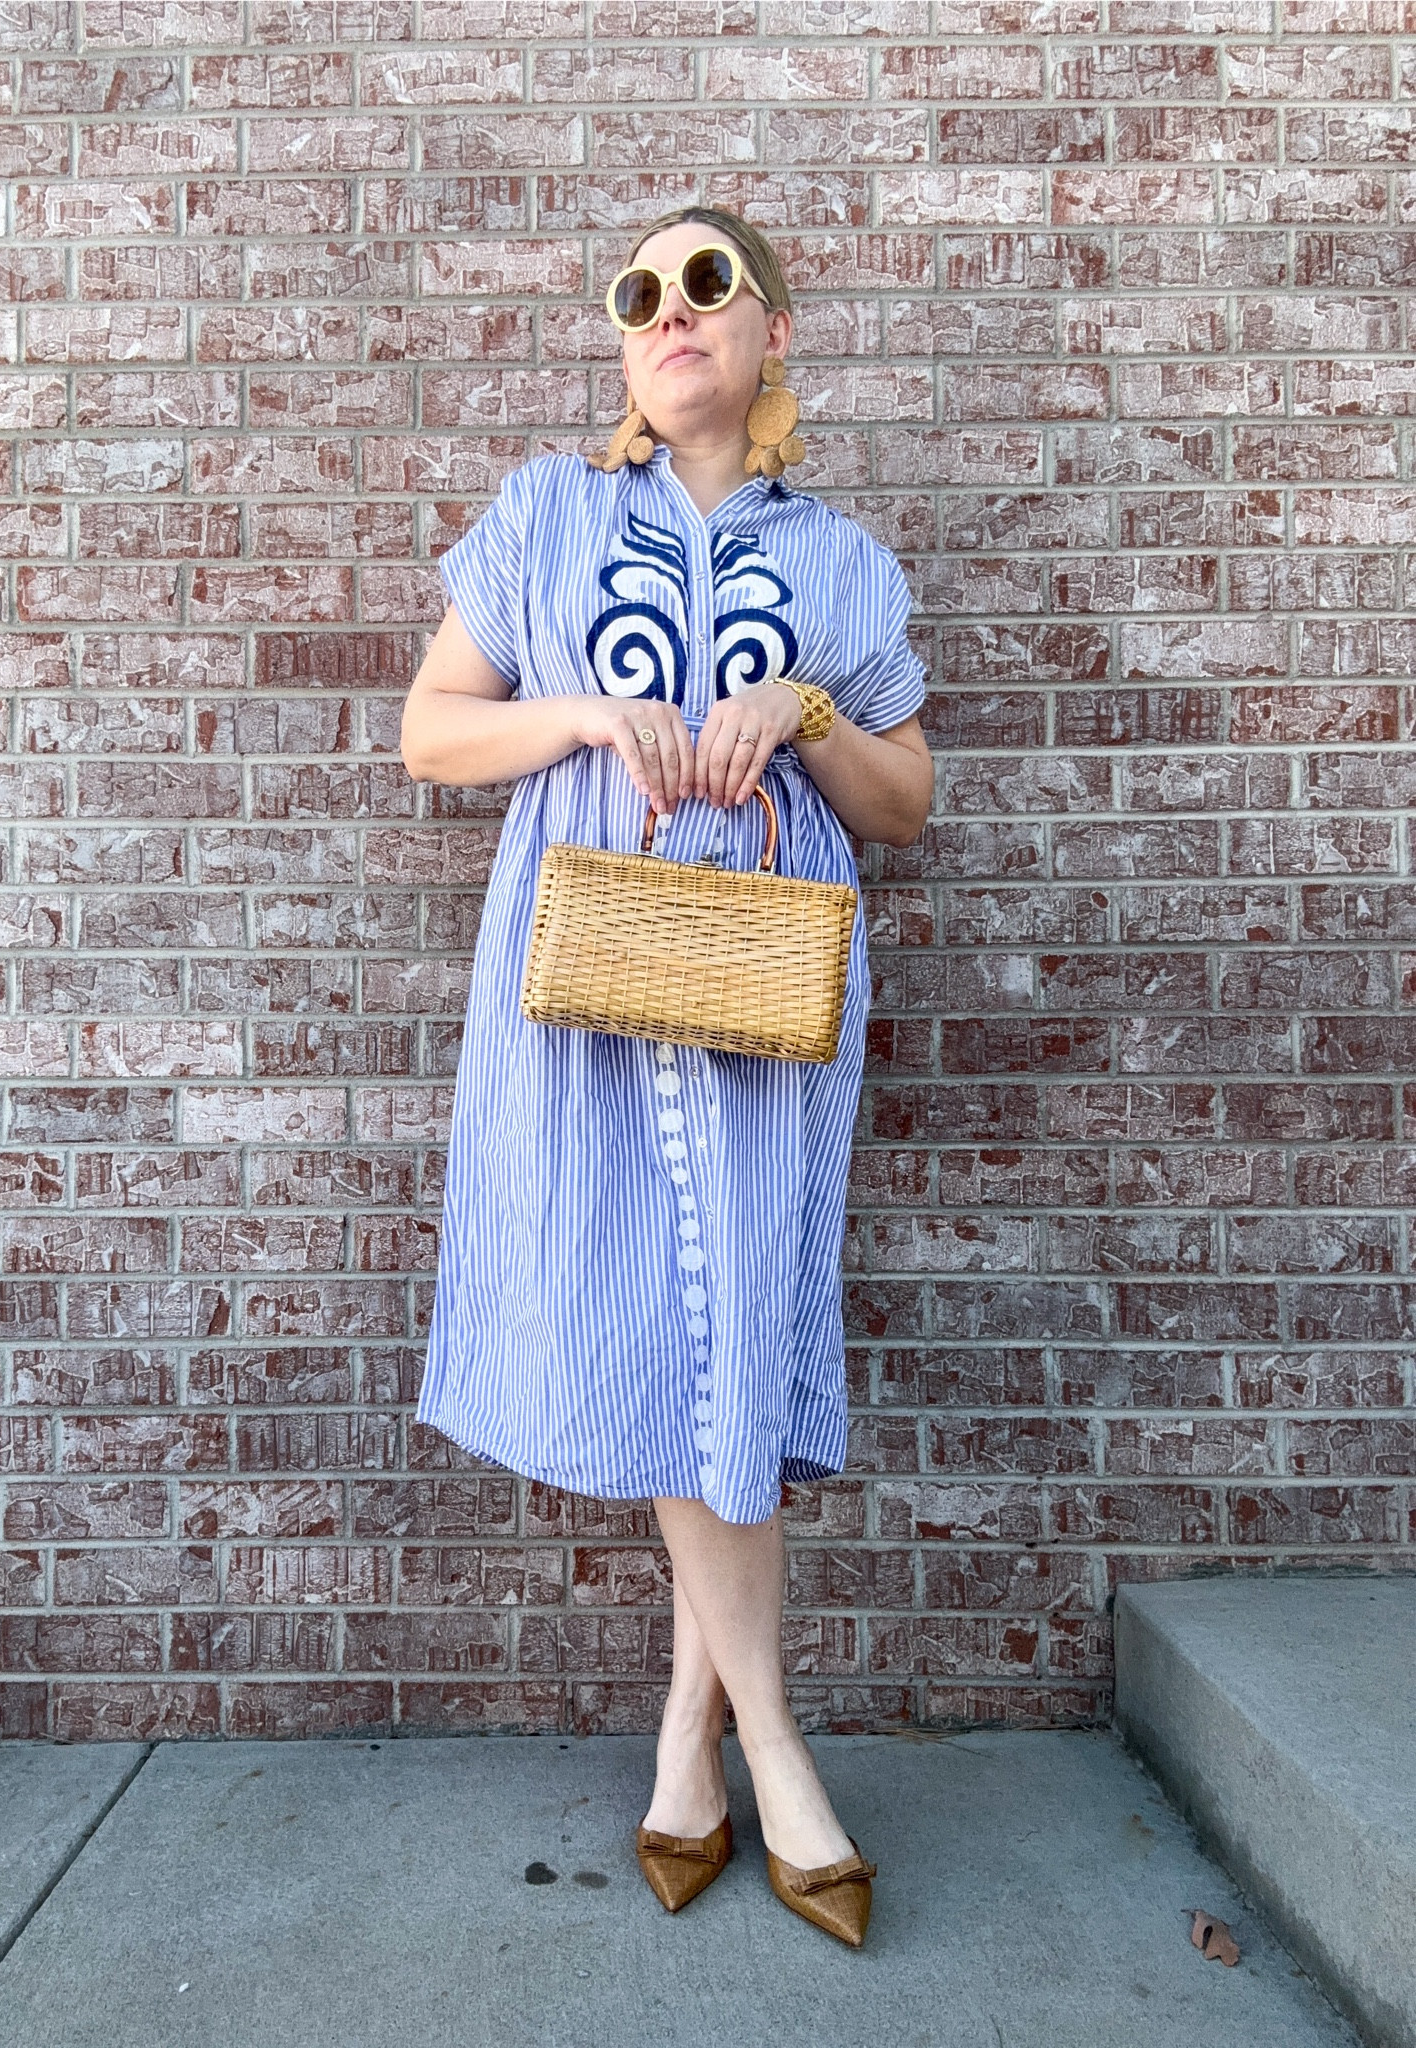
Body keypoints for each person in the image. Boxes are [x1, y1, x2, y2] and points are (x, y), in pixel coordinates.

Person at [399, 206, 932, 1947]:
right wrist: (570, 715)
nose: (668, 312)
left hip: (771, 1000)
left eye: (707, 283)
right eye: (639, 294)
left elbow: (906, 804)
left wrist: (803, 709)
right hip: (591, 998)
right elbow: (429, 733)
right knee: (676, 1330)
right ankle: (771, 1746)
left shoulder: (841, 561)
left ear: (772, 329)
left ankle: (690, 1742)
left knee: (728, 1339)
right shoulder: (552, 514)